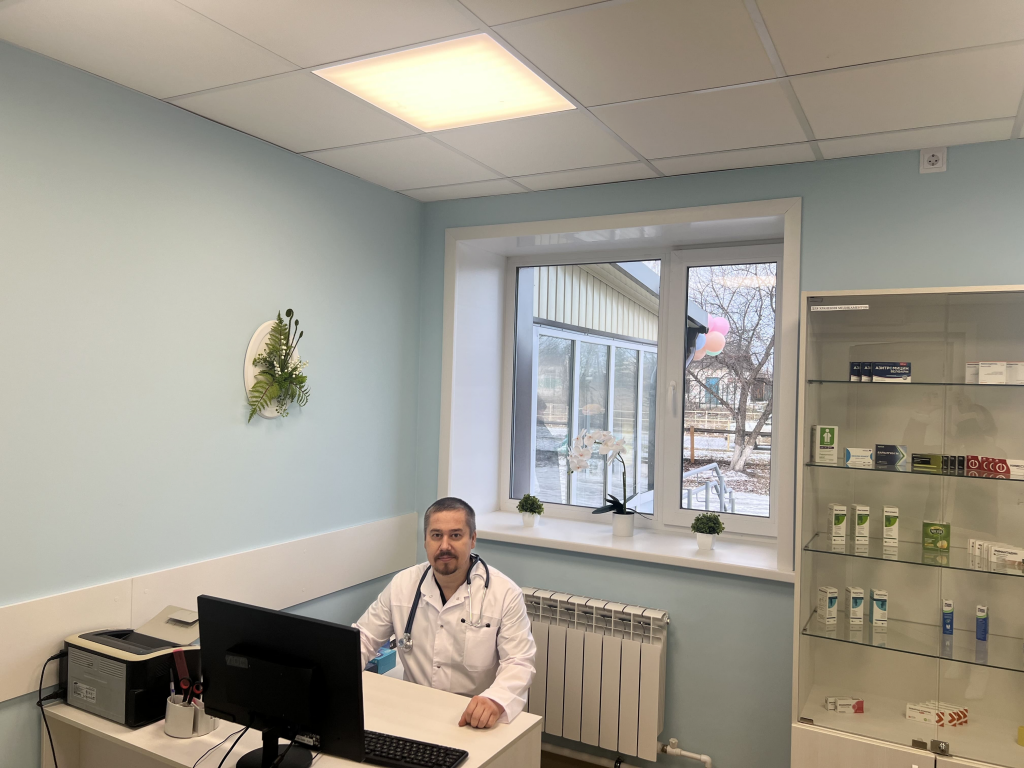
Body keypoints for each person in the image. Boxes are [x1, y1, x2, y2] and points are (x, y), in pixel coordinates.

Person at [355, 497, 537, 729]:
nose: (444, 546)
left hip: (472, 717)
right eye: (436, 535)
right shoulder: (403, 585)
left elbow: (519, 661)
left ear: (473, 539)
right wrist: (337, 673)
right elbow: (363, 639)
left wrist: (495, 699)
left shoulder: (504, 593)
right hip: (412, 709)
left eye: (456, 535)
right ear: (425, 541)